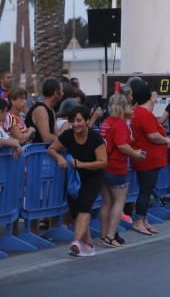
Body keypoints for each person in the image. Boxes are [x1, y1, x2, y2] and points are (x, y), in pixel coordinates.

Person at [47, 106, 107, 257]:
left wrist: (82, 164)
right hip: (75, 176)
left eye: (79, 120)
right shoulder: (68, 135)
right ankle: (88, 245)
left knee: (85, 207)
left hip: (93, 175)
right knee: (76, 211)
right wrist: (60, 157)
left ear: (87, 121)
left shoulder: (95, 138)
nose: (76, 124)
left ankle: (75, 242)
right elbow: (51, 149)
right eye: (73, 121)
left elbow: (103, 162)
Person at [98, 94, 146, 248]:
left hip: (104, 165)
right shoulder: (119, 124)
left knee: (106, 203)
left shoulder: (106, 122)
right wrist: (136, 154)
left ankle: (104, 235)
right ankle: (111, 235)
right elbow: (122, 145)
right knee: (119, 201)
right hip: (116, 165)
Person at [130, 81, 170, 236]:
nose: (156, 96)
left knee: (146, 190)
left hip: (150, 158)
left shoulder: (141, 112)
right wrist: (166, 140)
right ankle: (139, 220)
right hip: (148, 159)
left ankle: (144, 219)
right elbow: (153, 136)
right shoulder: (144, 113)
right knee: (145, 191)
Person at [26, 76, 62, 142]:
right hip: (36, 150)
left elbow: (56, 133)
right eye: (62, 91)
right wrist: (64, 140)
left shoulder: (51, 110)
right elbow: (46, 138)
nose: (63, 94)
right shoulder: (41, 110)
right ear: (56, 93)